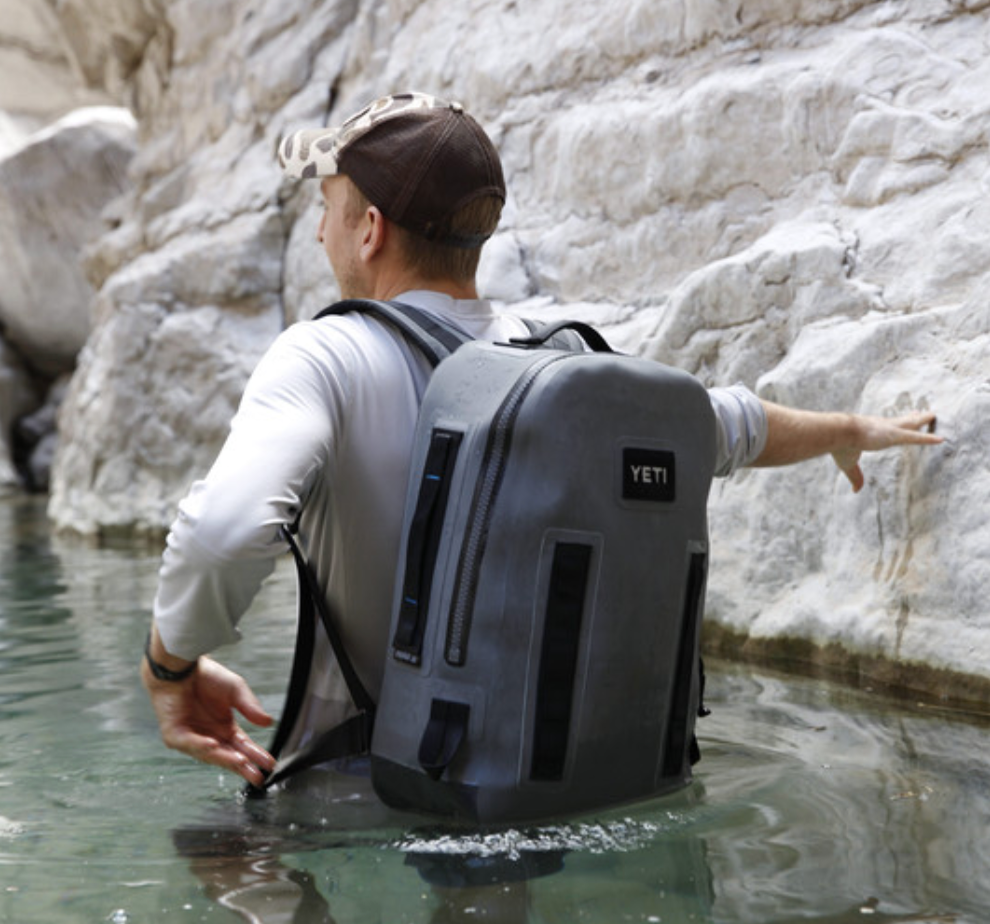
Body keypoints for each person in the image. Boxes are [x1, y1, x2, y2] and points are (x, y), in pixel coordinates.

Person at [140, 91, 942, 790]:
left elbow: (223, 532)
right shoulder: (556, 360)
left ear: (370, 230)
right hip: (538, 781)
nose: (320, 233)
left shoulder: (326, 354)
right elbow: (724, 423)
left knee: (215, 853)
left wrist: (169, 666)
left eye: (328, 208)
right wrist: (845, 431)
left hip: (360, 799)